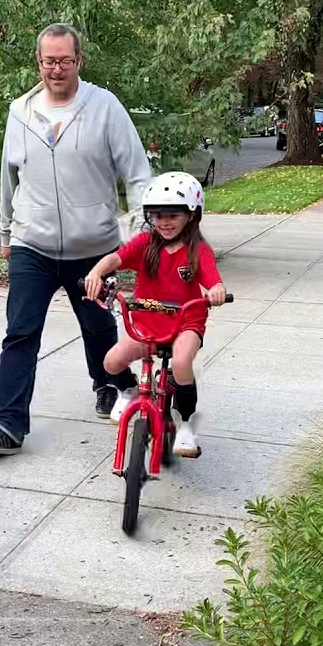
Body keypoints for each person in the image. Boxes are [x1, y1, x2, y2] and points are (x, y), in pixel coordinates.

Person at [0, 23, 153, 456]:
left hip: (93, 248)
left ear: (79, 61)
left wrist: (142, 233)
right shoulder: (20, 111)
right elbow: (8, 179)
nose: (56, 69)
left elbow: (138, 172)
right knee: (20, 332)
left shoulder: (104, 106)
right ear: (39, 62)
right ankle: (9, 425)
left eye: (65, 60)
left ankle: (111, 382)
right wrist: (5, 232)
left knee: (96, 326)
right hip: (32, 245)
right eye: (49, 61)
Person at [83, 171, 226, 458]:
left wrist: (216, 291)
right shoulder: (146, 243)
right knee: (111, 362)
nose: (164, 222)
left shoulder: (198, 250)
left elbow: (213, 280)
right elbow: (117, 258)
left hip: (186, 322)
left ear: (192, 215)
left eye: (173, 215)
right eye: (158, 215)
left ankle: (185, 424)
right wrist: (98, 271)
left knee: (183, 363)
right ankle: (128, 391)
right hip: (148, 323)